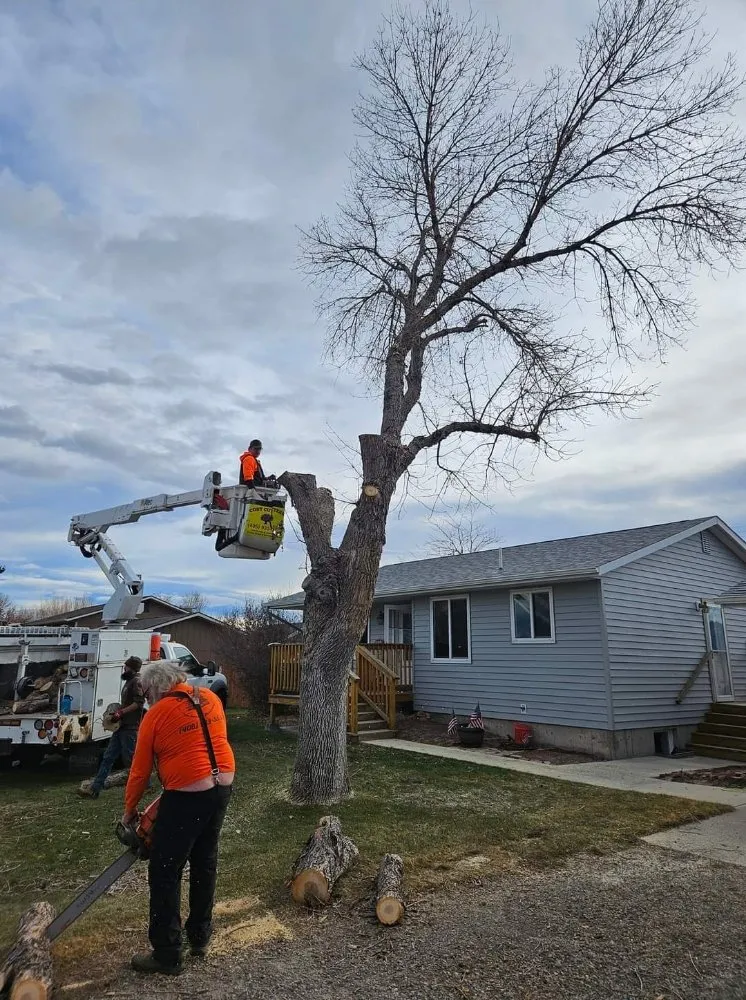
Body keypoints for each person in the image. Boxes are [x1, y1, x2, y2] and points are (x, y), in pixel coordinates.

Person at [123, 659, 235, 976]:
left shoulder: (156, 714)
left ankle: (167, 952)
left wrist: (130, 810)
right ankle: (200, 935)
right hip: (222, 783)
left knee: (165, 870)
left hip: (187, 793)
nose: (144, 698)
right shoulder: (210, 698)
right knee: (204, 859)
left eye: (145, 692)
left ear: (157, 686)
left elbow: (140, 771)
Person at [78, 655, 144, 799]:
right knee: (108, 757)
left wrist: (121, 712)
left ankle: (145, 786)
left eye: (126, 666)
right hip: (120, 726)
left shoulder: (136, 682)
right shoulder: (128, 682)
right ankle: (95, 789)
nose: (124, 668)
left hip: (130, 727)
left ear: (132, 668)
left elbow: (138, 703)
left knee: (131, 759)